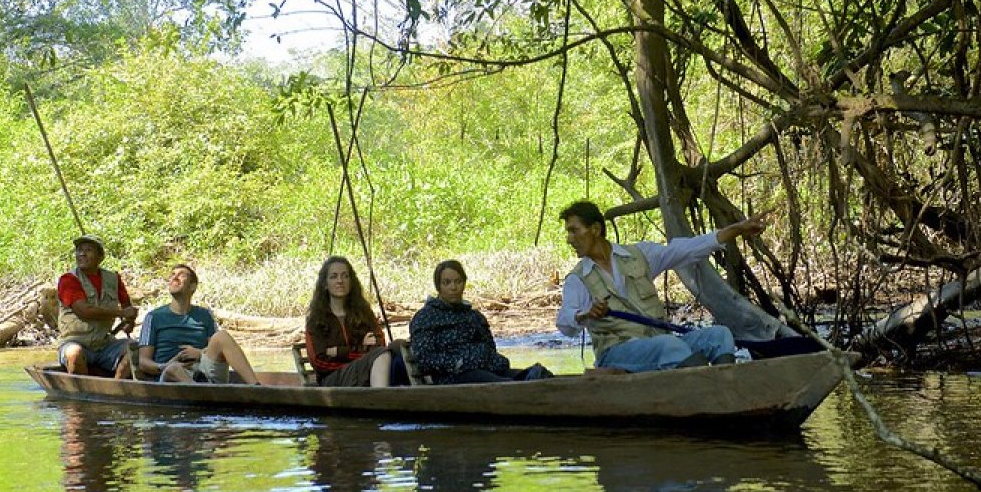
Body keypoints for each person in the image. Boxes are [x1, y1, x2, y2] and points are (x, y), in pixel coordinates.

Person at [555, 201, 768, 372]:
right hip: (616, 353)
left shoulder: (639, 255)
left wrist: (736, 229)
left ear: (595, 229)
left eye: (574, 231)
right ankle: (708, 396)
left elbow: (687, 249)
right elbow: (566, 323)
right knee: (670, 346)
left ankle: (725, 391)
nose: (569, 239)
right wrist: (586, 315)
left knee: (719, 336)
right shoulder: (577, 279)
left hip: (657, 341)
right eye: (568, 232)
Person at [409, 259, 552, 384]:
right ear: (438, 287)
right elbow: (424, 359)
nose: (453, 287)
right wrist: (459, 362)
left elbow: (489, 347)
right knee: (509, 384)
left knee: (539, 374)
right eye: (447, 283)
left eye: (458, 281)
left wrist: (490, 360)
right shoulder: (426, 318)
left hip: (486, 368)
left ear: (464, 284)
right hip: (454, 377)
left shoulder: (474, 316)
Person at [135, 264, 260, 385]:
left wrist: (200, 353)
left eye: (181, 275)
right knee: (174, 369)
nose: (175, 277)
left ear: (192, 286)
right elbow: (143, 362)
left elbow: (216, 348)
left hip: (203, 371)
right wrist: (164, 365)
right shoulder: (153, 317)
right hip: (171, 374)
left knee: (222, 336)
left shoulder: (204, 315)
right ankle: (200, 389)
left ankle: (256, 387)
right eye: (172, 275)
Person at [305, 256, 403, 387]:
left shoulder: (363, 313)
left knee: (395, 348)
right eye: (334, 276)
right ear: (325, 284)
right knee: (380, 355)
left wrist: (339, 352)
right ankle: (381, 402)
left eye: (345, 276)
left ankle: (386, 399)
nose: (340, 281)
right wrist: (361, 351)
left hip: (364, 372)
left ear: (351, 281)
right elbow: (319, 361)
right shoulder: (317, 319)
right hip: (332, 380)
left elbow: (379, 343)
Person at [56, 234, 139, 377]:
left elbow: (127, 307)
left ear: (100, 257)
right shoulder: (68, 280)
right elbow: (84, 311)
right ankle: (82, 392)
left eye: (88, 250)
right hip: (75, 342)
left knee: (137, 349)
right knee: (75, 354)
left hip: (104, 344)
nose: (82, 253)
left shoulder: (113, 278)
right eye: (79, 250)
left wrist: (130, 320)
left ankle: (117, 386)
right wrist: (121, 314)